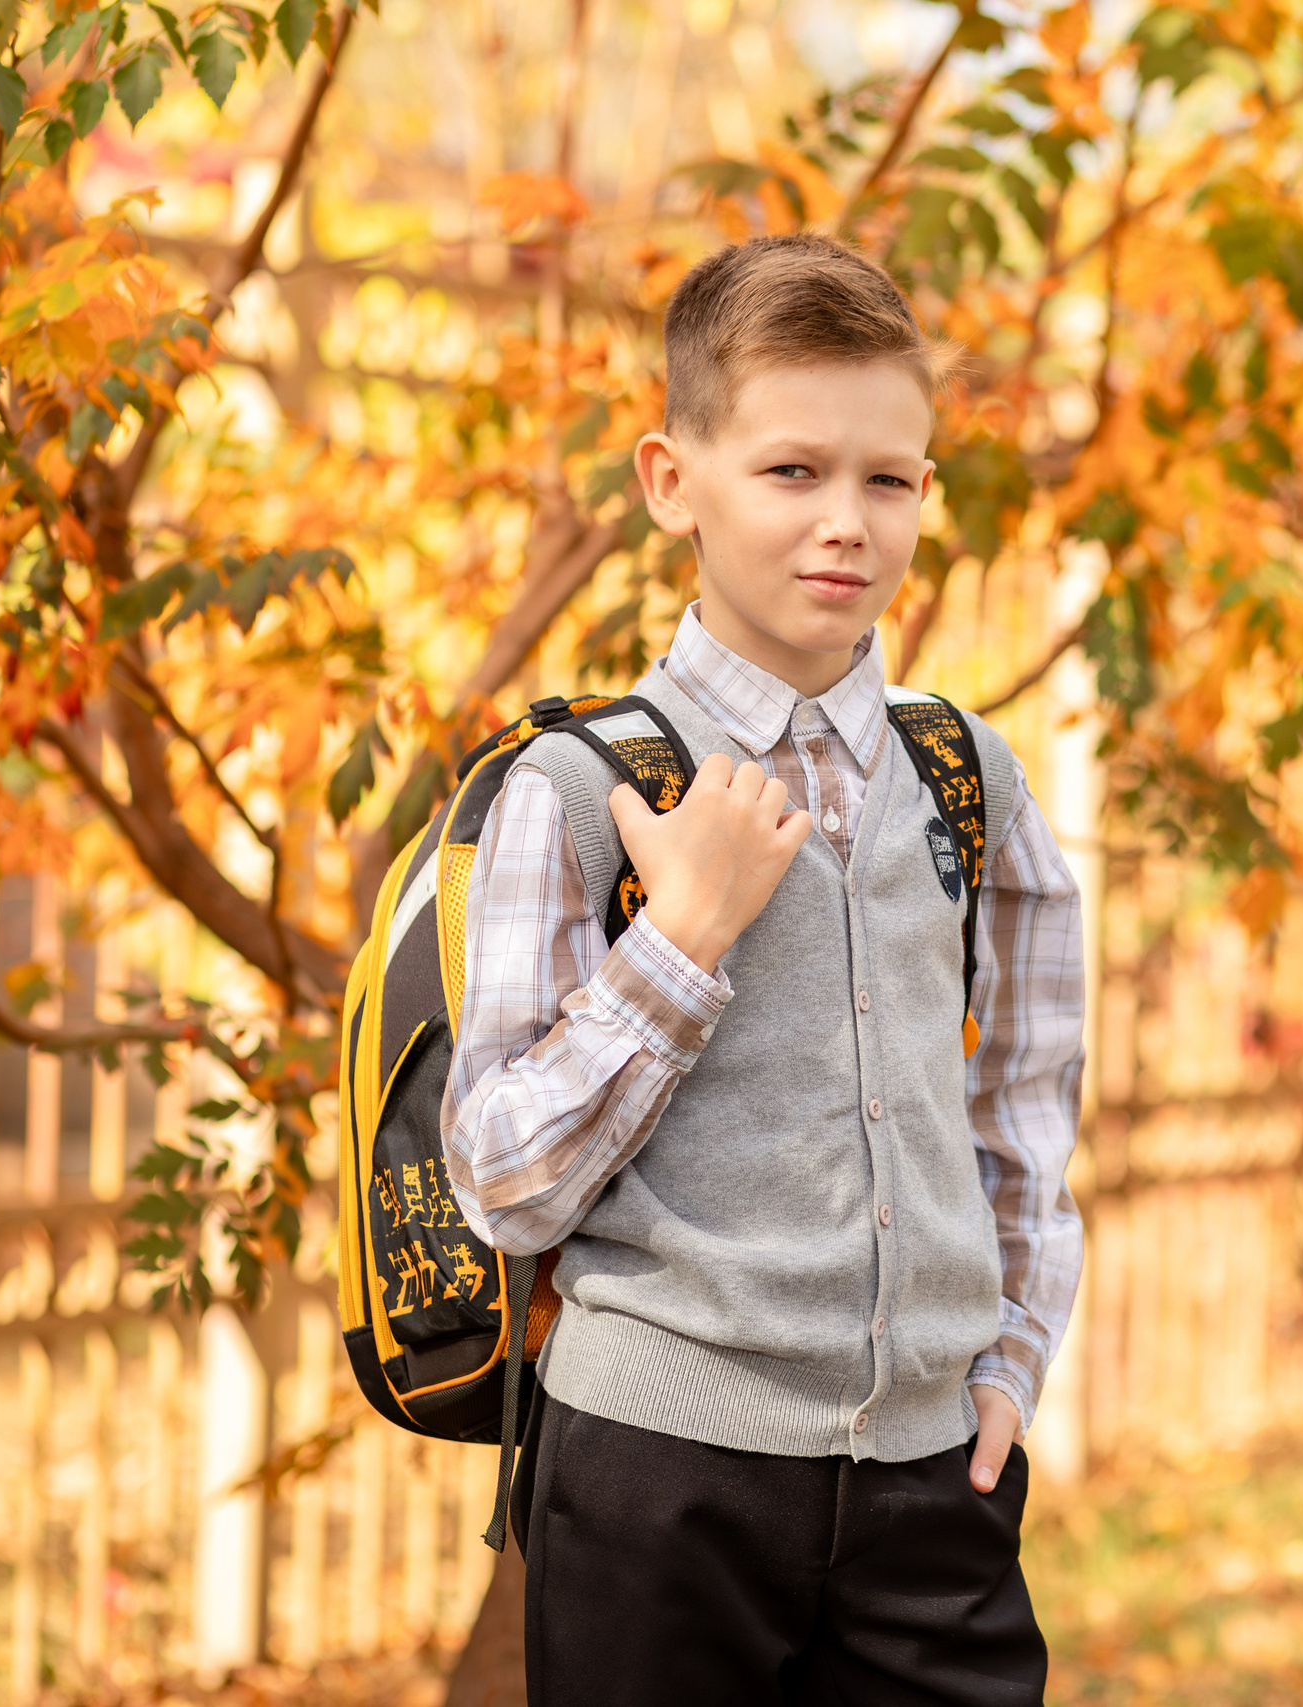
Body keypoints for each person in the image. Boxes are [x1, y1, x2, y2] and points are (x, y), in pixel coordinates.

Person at [441, 232, 1085, 1705]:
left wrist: (1010, 1366)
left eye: (888, 478)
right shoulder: (580, 786)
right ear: (675, 480)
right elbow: (504, 1182)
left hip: (938, 1486)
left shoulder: (965, 774)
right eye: (791, 471)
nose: (844, 522)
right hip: (661, 1491)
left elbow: (1027, 1112)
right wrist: (683, 939)